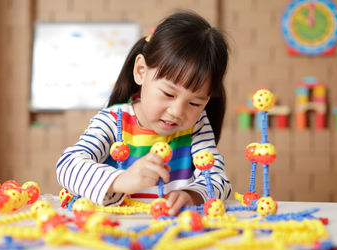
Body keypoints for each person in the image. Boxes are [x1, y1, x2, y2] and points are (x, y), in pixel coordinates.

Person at [56, 10, 231, 216]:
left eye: (194, 103)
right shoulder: (114, 122)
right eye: (168, 93)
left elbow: (218, 180)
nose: (177, 112)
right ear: (141, 71)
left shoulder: (197, 126)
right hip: (116, 232)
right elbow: (67, 166)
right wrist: (120, 180)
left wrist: (191, 195)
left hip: (171, 235)